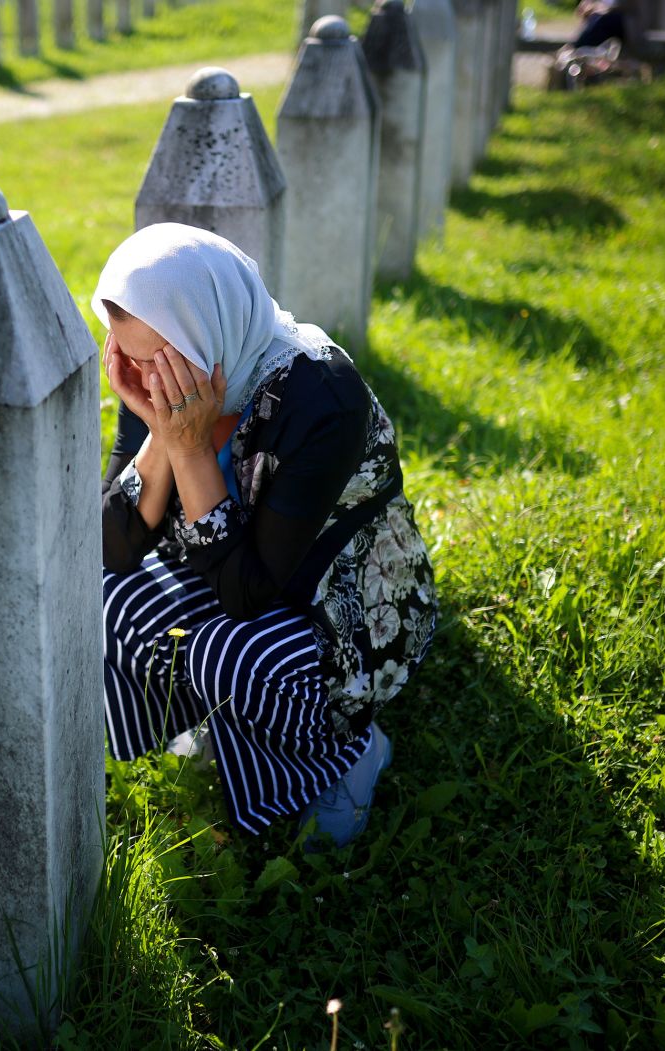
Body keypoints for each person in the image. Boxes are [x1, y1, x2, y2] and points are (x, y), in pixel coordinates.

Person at [96, 223, 437, 849]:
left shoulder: (318, 395)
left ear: (210, 328)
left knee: (229, 654)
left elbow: (251, 596)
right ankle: (213, 730)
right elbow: (114, 548)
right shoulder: (159, 381)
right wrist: (158, 433)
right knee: (105, 598)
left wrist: (190, 446)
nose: (146, 378)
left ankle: (348, 753)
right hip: (234, 571)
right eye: (129, 356)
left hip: (342, 607)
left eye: (161, 361)